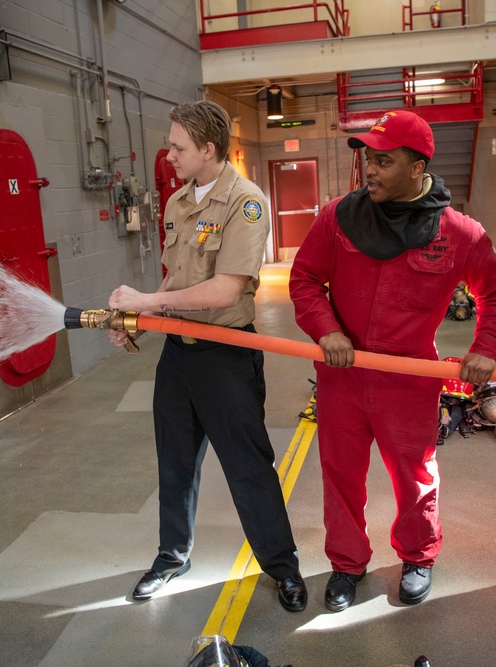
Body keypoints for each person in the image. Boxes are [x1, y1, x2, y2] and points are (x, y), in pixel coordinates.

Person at [289, 110, 496, 611]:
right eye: (369, 158)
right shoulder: (337, 217)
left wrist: (485, 348)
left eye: (383, 160)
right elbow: (304, 280)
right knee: (340, 474)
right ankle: (347, 563)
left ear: (418, 167)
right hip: (343, 375)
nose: (370, 169)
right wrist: (327, 331)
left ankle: (417, 556)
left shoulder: (459, 233)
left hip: (409, 379)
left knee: (415, 474)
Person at [107, 100, 306, 611]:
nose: (169, 154)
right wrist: (138, 320)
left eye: (178, 147)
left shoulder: (246, 202)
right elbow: (177, 282)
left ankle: (282, 567)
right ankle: (172, 557)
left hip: (225, 357)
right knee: (174, 466)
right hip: (178, 356)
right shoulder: (177, 203)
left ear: (208, 149)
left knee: (249, 468)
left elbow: (223, 291)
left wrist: (147, 302)